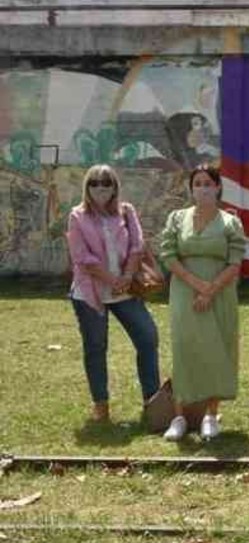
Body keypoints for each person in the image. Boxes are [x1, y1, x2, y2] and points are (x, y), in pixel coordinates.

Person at [158, 164, 247, 441]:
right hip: (185, 293)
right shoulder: (176, 218)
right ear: (191, 188)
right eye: (198, 183)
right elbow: (169, 256)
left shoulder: (231, 222)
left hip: (220, 293)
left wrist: (211, 291)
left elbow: (235, 262)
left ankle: (210, 414)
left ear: (218, 187)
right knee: (185, 350)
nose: (203, 188)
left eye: (208, 183)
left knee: (217, 348)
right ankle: (180, 416)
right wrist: (198, 286)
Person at [66, 164, 161, 422]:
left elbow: (137, 245)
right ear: (87, 187)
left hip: (126, 290)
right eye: (94, 183)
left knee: (147, 337)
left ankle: (152, 400)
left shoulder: (126, 211)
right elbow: (81, 257)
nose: (100, 188)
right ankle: (101, 404)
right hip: (90, 292)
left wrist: (127, 277)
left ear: (114, 186)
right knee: (96, 347)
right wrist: (111, 279)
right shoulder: (77, 215)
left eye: (106, 183)